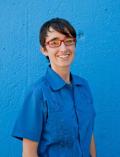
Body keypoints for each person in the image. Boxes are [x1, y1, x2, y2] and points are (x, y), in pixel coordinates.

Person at [12, 17, 96, 157]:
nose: (63, 48)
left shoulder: (84, 87)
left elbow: (89, 134)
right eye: (54, 42)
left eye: (68, 41)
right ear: (44, 49)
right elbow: (29, 153)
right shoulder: (37, 93)